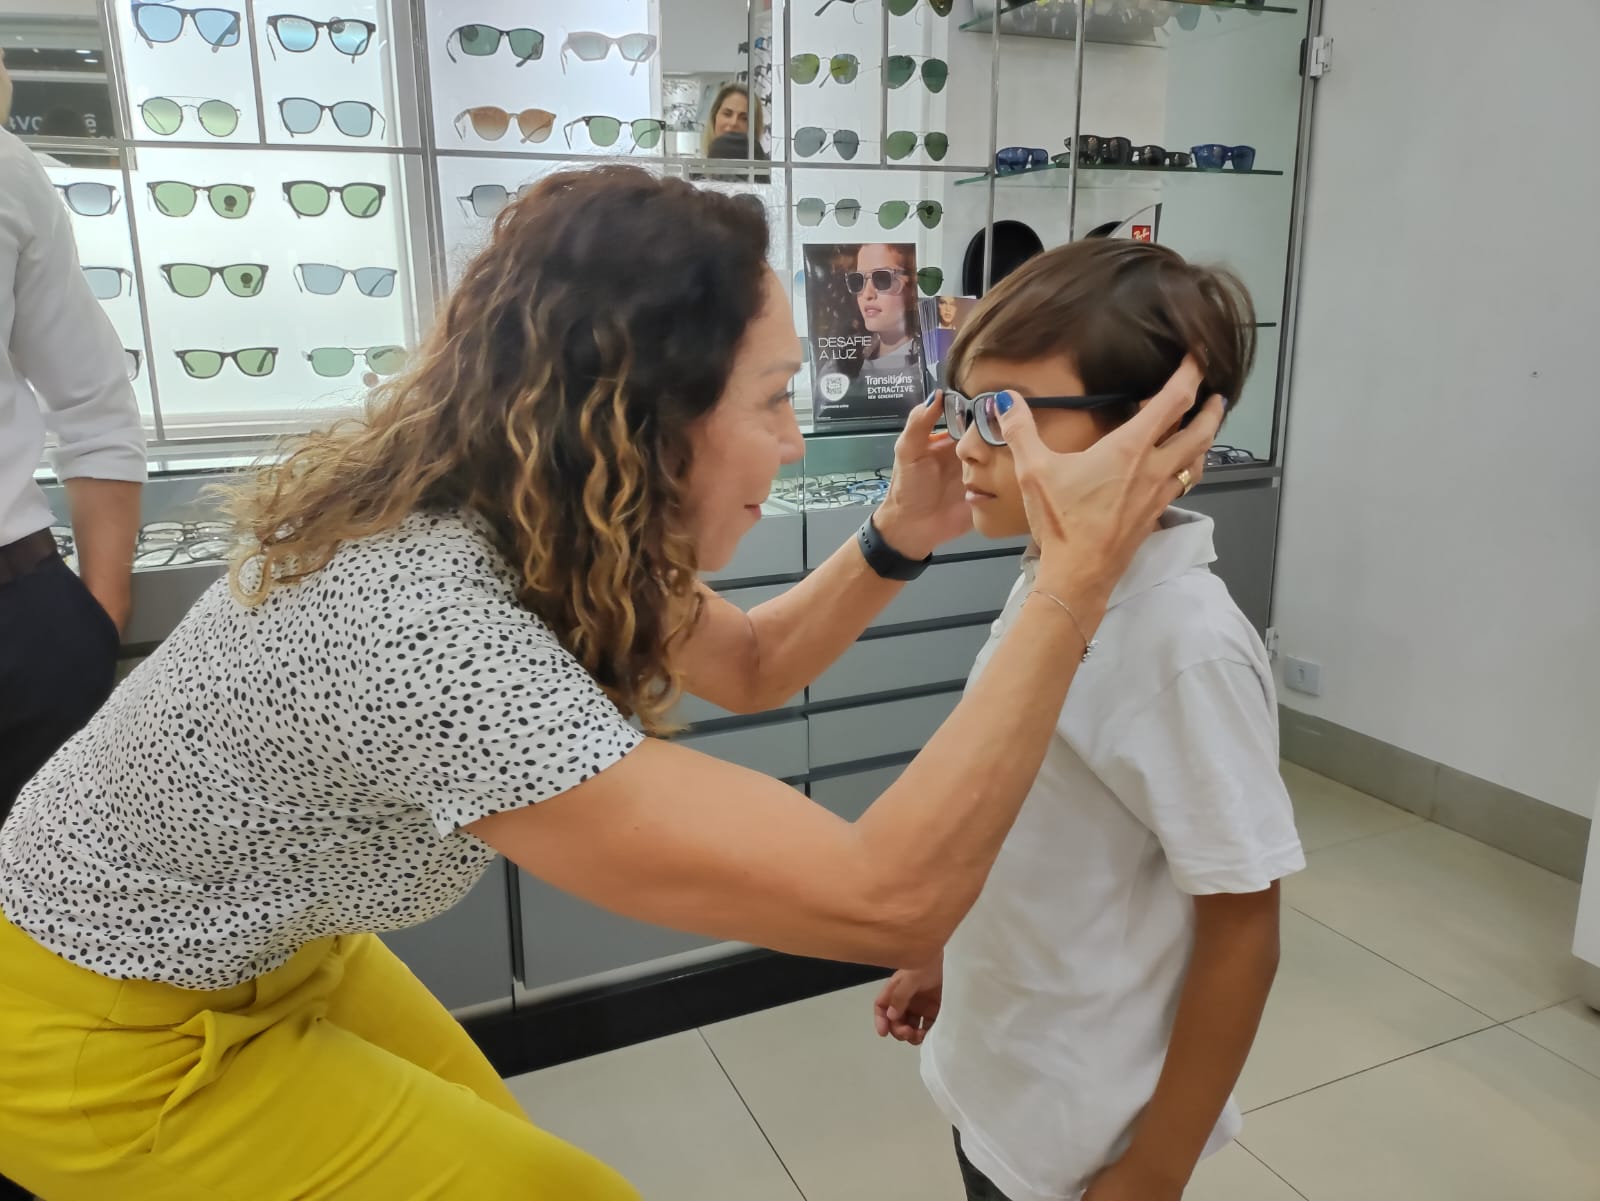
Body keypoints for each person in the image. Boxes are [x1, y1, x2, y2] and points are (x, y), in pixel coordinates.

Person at [0, 166, 1222, 1201]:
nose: (797, 441)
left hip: (275, 946)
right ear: (642, 414)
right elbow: (888, 898)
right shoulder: (423, 627)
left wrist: (898, 534)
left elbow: (745, 665)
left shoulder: (530, 510)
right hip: (100, 1030)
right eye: (773, 400)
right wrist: (1074, 578)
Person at [871, 238, 1304, 1201]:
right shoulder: (1055, 579)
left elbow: (1246, 929)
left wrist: (1155, 1169)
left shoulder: (1184, 643)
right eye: (965, 408)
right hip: (999, 1070)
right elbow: (1009, 794)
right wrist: (941, 943)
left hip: (1082, 1134)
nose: (969, 448)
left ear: (1153, 430)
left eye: (1007, 415)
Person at [0, 54, 145, 1201]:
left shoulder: (6, 177)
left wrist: (91, 619)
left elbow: (93, 406)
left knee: (59, 946)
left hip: (18, 618)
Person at [816, 242, 924, 422]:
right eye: (858, 280)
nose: (867, 294)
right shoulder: (836, 369)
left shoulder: (929, 370)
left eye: (882, 278)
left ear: (911, 289)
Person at [701, 81, 763, 159]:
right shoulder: (694, 168)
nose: (733, 123)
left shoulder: (761, 169)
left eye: (744, 118)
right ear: (714, 117)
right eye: (727, 114)